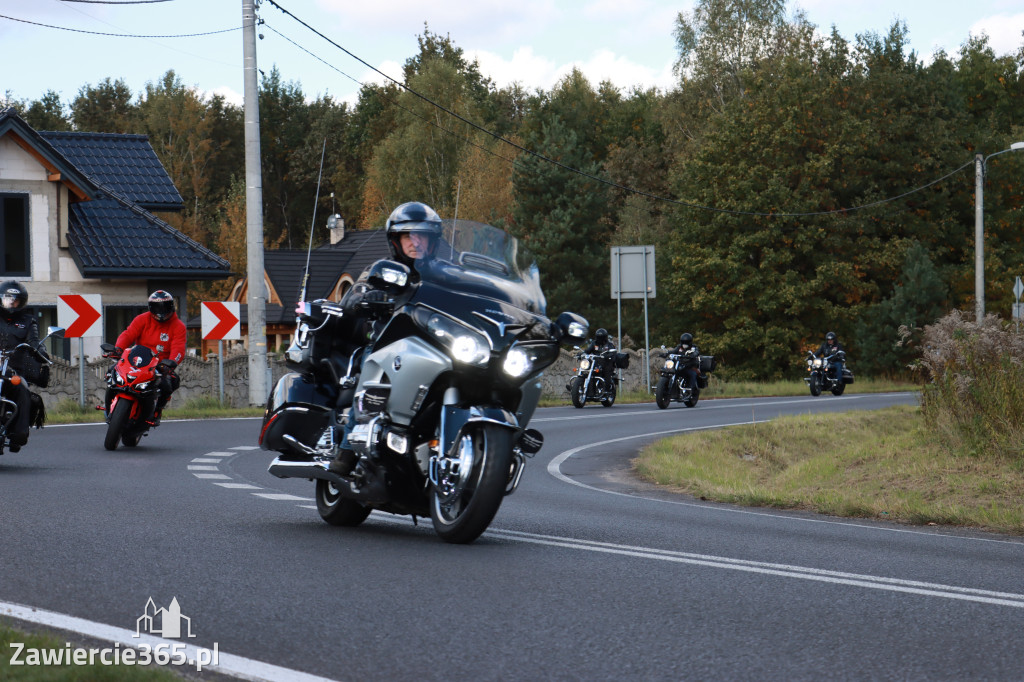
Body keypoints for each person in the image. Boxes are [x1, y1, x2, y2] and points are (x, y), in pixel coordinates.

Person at [329, 201, 442, 474]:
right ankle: (346, 450)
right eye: (408, 236)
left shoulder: (442, 273)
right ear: (396, 240)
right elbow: (353, 297)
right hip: (388, 344)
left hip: (434, 348)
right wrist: (367, 296)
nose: (416, 242)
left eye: (422, 236)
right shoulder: (380, 269)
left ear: (432, 241)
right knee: (374, 373)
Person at [109, 290, 186, 425]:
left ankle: (157, 410)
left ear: (171, 306)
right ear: (151, 307)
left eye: (165, 306)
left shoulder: (178, 326)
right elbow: (128, 334)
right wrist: (118, 348)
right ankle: (110, 404)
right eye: (157, 307)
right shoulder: (142, 319)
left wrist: (172, 362)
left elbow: (178, 347)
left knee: (169, 384)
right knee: (112, 371)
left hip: (160, 366)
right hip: (137, 361)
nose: (161, 311)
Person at [0, 281, 40, 452]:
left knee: (23, 390)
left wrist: (39, 351)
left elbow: (35, 341)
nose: (11, 303)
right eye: (8, 299)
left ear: (21, 302)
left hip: (14, 369)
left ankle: (20, 432)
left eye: (15, 300)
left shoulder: (28, 320)